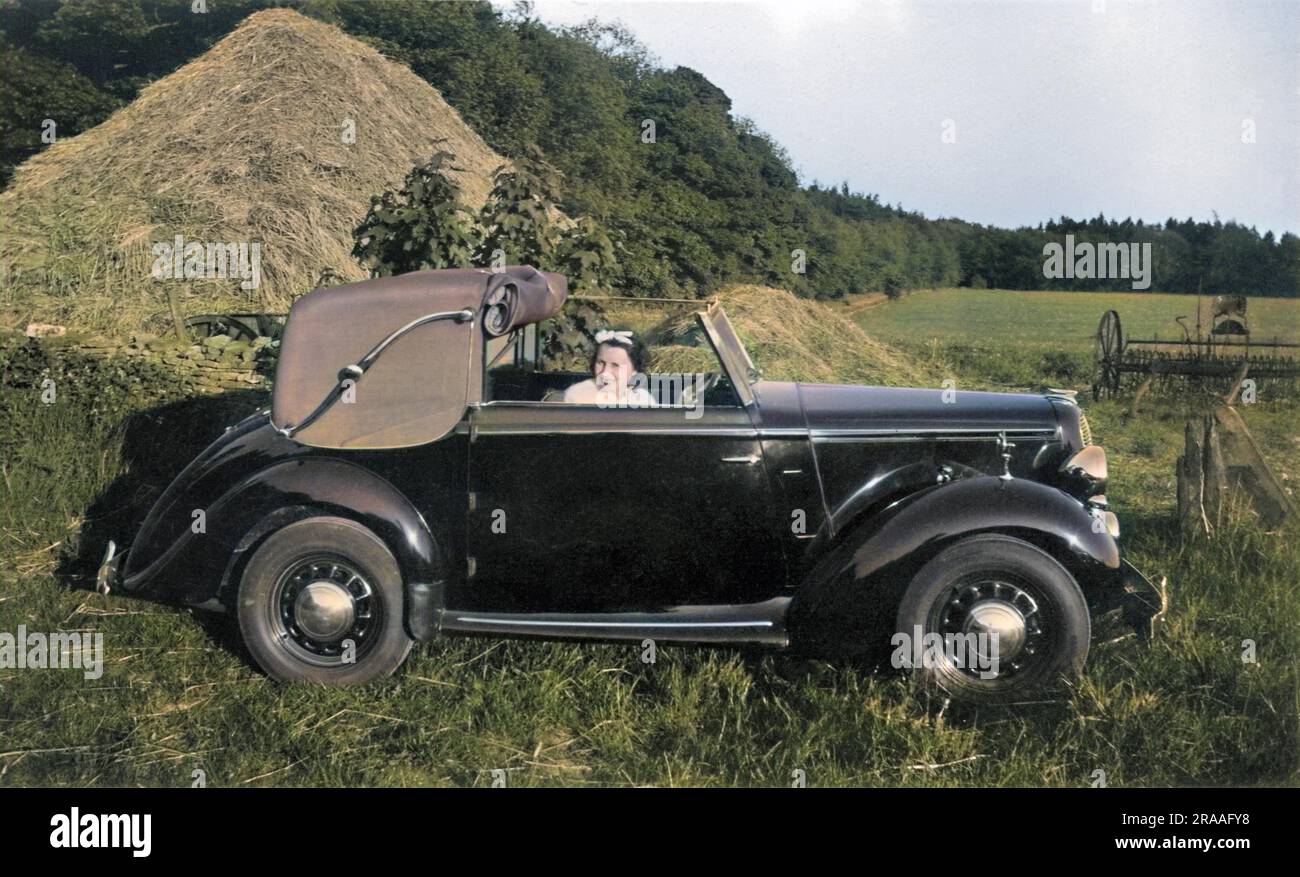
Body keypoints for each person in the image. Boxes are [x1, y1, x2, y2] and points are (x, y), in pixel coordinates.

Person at [562, 329, 656, 407]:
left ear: (634, 370)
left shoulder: (643, 400)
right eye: (600, 363)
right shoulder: (578, 396)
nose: (605, 372)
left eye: (615, 365)